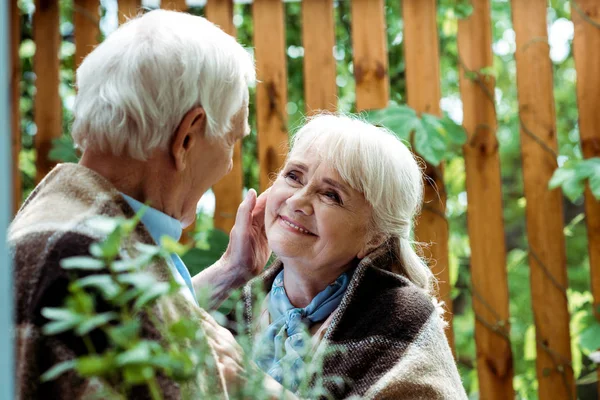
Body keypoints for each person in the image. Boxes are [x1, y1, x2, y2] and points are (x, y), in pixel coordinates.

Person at [8, 10, 290, 399]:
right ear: (187, 138)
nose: (229, 163)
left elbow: (149, 314)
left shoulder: (92, 233)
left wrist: (230, 271)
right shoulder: (77, 263)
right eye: (232, 140)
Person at [241, 114, 467, 399]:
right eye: (294, 176)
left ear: (374, 237)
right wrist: (230, 270)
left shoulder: (399, 316)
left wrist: (249, 382)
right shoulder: (238, 302)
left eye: (331, 195)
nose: (297, 201)